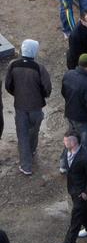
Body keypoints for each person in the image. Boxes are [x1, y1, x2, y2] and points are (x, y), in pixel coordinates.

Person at [5, 40, 52, 176]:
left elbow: (8, 85)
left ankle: (26, 166)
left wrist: (17, 94)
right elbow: (47, 88)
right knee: (34, 130)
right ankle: (32, 150)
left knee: (23, 136)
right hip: (36, 107)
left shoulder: (13, 65)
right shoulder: (39, 68)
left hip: (20, 106)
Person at [53, 133, 87, 243]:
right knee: (83, 209)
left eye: (66, 141)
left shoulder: (86, 157)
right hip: (73, 189)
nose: (64, 143)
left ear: (73, 142)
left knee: (76, 216)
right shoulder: (67, 151)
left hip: (81, 192)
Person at [61, 53, 87, 152]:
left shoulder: (68, 74)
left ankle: (65, 164)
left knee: (70, 140)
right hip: (82, 119)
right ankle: (81, 165)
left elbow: (63, 92)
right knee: (84, 145)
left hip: (69, 113)